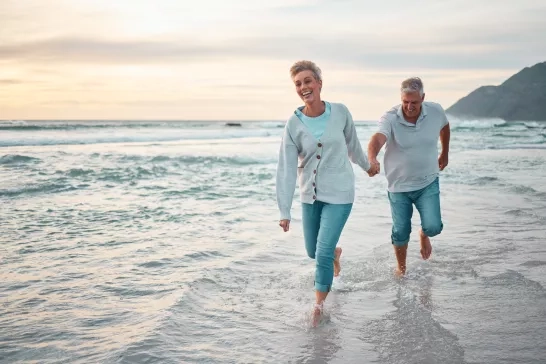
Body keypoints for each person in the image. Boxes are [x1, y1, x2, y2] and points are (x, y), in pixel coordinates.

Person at [276, 60, 378, 321]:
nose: (303, 87)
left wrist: (368, 167)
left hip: (340, 194)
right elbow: (287, 168)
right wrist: (284, 210)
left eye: (308, 81)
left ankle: (318, 308)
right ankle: (334, 254)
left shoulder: (341, 112)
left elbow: (354, 147)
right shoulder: (293, 124)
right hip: (310, 197)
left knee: (319, 254)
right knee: (314, 251)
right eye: (298, 84)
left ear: (319, 83)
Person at [367, 77, 450, 276]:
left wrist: (445, 152)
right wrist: (372, 158)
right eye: (405, 102)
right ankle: (402, 270)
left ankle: (424, 234)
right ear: (401, 98)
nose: (409, 107)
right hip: (399, 187)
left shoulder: (435, 111)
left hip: (428, 181)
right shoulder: (390, 118)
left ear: (423, 98)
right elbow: (378, 138)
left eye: (414, 102)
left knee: (433, 227)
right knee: (401, 232)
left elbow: (445, 127)